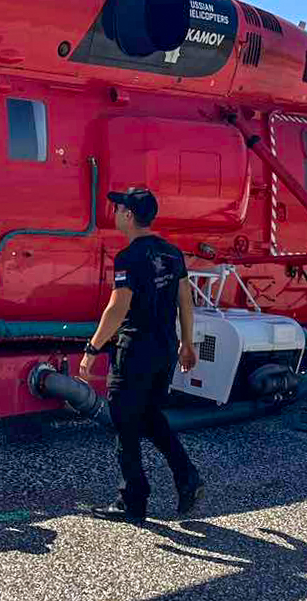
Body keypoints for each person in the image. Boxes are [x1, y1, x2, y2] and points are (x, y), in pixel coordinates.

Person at [79, 186, 204, 521]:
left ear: (129, 216)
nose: (116, 212)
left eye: (120, 208)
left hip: (134, 350)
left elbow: (118, 308)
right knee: (150, 416)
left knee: (124, 421)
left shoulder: (128, 258)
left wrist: (92, 348)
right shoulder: (173, 254)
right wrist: (187, 343)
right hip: (164, 349)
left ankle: (132, 501)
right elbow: (185, 301)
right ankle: (186, 476)